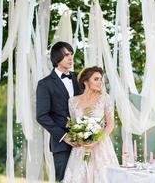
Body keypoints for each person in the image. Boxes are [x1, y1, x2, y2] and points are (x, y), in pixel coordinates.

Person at [63, 66, 119, 183]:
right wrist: (79, 137)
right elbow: (74, 125)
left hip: (101, 146)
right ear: (85, 81)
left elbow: (110, 124)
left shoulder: (104, 98)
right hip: (81, 148)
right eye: (96, 79)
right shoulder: (72, 101)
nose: (100, 83)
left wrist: (96, 140)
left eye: (101, 79)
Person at [36, 41, 81, 182]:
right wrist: (64, 136)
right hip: (62, 145)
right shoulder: (45, 84)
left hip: (85, 142)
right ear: (56, 57)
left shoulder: (79, 78)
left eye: (71, 54)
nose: (70, 58)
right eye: (66, 54)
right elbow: (42, 116)